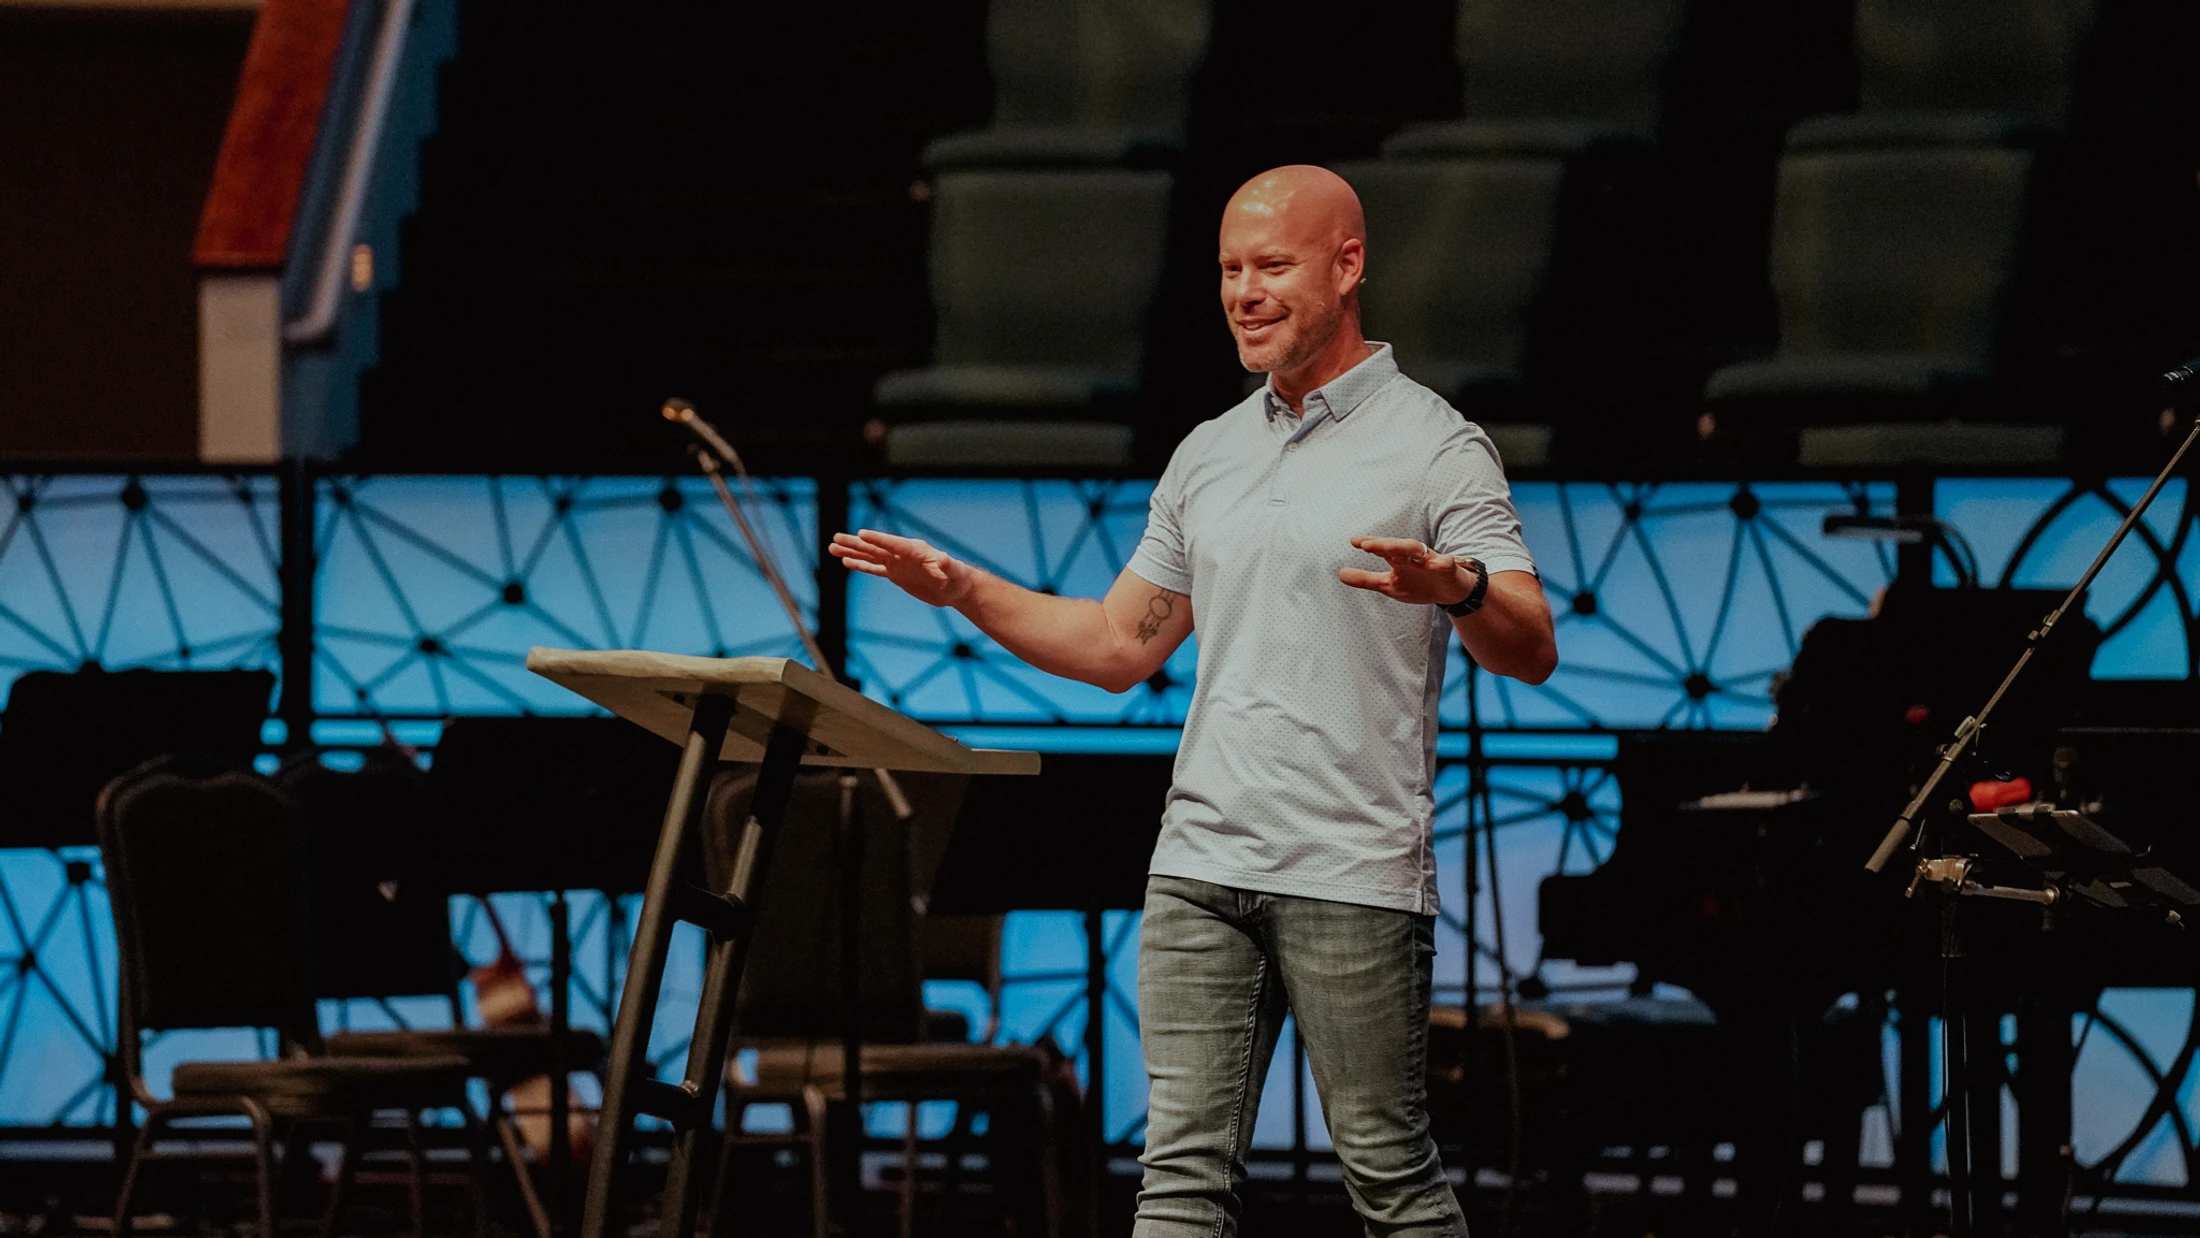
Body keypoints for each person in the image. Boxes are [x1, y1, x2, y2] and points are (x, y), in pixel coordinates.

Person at [830, 164, 1556, 1237]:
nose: (1244, 291)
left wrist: (1460, 587)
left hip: (1348, 868)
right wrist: (965, 588)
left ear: (1348, 265)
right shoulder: (1208, 452)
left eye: (1271, 265)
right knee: (1176, 1180)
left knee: (1390, 1177)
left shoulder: (1435, 444)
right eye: (1228, 269)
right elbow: (1119, 643)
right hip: (1200, 864)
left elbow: (1530, 645)